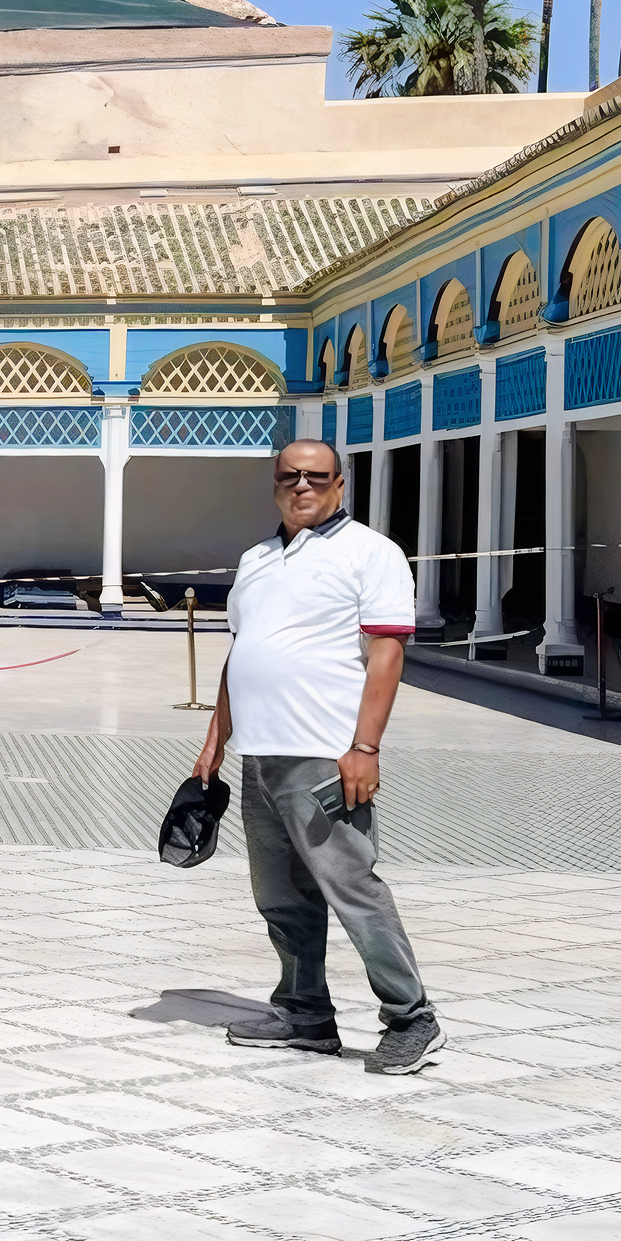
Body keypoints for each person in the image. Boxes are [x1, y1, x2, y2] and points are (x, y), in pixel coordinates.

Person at [190, 438, 441, 1074]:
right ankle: (304, 1013)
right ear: (275, 484)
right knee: (280, 896)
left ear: (340, 484)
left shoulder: (371, 553)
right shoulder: (256, 558)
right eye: (290, 477)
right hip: (259, 754)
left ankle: (412, 1017)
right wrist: (217, 737)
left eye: (316, 477)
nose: (303, 486)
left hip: (325, 756)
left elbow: (387, 652)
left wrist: (364, 747)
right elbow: (241, 651)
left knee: (352, 887)